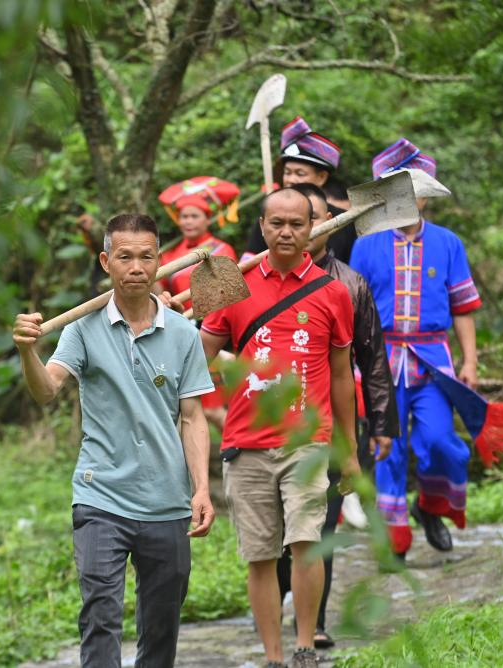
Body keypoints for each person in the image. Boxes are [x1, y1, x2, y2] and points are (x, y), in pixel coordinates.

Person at [12, 213, 216, 668]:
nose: (136, 267)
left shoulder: (183, 333)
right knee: (100, 616)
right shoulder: (82, 328)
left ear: (159, 260)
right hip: (100, 495)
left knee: (162, 624)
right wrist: (28, 351)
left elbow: (192, 417)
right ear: (107, 262)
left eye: (146, 257)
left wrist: (201, 488)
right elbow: (47, 390)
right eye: (125, 257)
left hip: (166, 501)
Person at [200, 189, 374, 668]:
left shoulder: (332, 292)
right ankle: (273, 657)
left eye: (296, 224)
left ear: (312, 228)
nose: (286, 232)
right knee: (260, 555)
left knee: (305, 544)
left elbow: (342, 376)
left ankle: (304, 647)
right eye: (276, 223)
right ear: (261, 226)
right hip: (246, 443)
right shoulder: (233, 284)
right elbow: (198, 355)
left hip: (307, 443)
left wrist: (349, 448)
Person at [274, 184, 399, 648]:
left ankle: (315, 621)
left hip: (329, 425)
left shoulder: (349, 284)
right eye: (288, 220)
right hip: (271, 424)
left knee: (320, 526)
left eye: (312, 218)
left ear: (327, 223)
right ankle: (280, 597)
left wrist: (381, 422)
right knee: (278, 531)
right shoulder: (258, 281)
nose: (302, 228)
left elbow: (372, 358)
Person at [349, 139, 482, 561]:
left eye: (416, 192)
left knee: (441, 441)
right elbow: (353, 310)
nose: (409, 199)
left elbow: (462, 307)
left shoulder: (448, 243)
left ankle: (431, 506)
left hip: (432, 361)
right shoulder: (366, 244)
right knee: (387, 446)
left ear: (425, 198)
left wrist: (470, 360)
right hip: (380, 361)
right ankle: (395, 537)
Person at [156, 176, 240, 431]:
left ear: (207, 219)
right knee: (183, 408)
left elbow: (228, 294)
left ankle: (239, 448)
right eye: (184, 216)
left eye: (194, 216)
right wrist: (153, 270)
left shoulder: (222, 249)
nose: (188, 221)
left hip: (211, 332)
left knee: (213, 409)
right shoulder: (170, 254)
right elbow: (160, 294)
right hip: (179, 330)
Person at [243, 116, 355, 263]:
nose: (291, 180)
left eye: (300, 174)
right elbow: (249, 261)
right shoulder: (271, 214)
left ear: (321, 177)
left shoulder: (344, 222)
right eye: (287, 172)